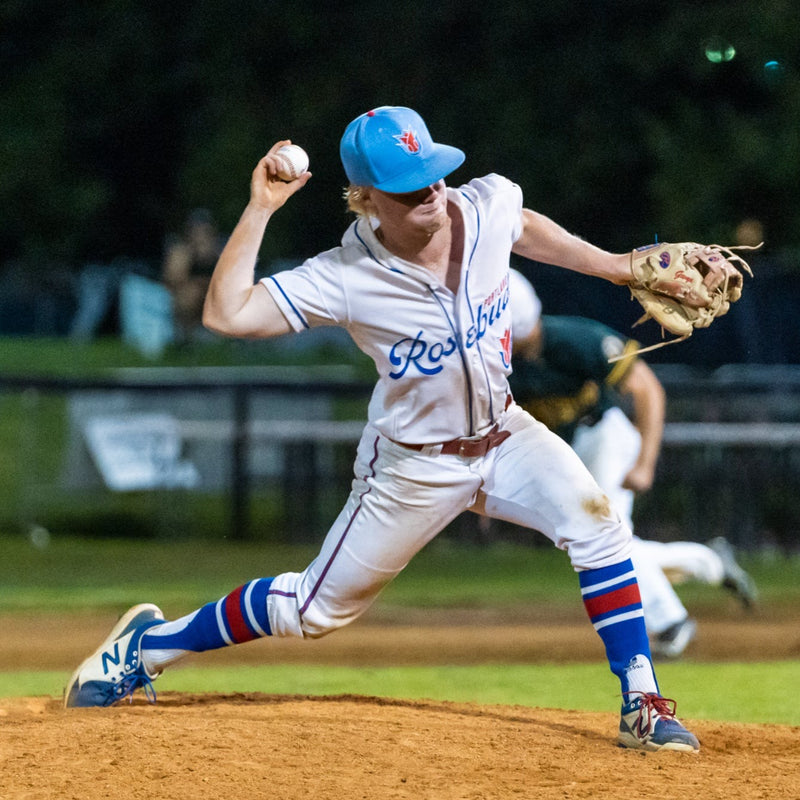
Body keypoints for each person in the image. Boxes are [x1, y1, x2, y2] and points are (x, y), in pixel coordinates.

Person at [64, 105, 741, 751]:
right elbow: (228, 314)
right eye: (409, 186)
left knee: (597, 523)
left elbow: (522, 224)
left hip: (505, 434)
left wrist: (618, 265)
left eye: (435, 174)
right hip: (414, 466)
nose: (432, 192)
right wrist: (261, 209)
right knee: (311, 612)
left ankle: (643, 703)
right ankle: (147, 646)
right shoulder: (345, 277)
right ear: (364, 197)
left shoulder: (480, 206)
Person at [506, 269, 758, 658]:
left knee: (604, 539)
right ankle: (708, 562)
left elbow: (647, 388)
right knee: (601, 543)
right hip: (569, 452)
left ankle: (671, 621)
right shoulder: (500, 361)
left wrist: (645, 461)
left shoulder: (573, 338)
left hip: (606, 437)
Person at [161, 207, 225, 342]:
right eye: (196, 229)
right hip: (189, 296)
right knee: (189, 296)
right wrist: (192, 255)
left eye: (204, 229)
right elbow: (173, 280)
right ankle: (185, 338)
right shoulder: (181, 252)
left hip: (215, 295)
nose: (200, 233)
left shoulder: (222, 250)